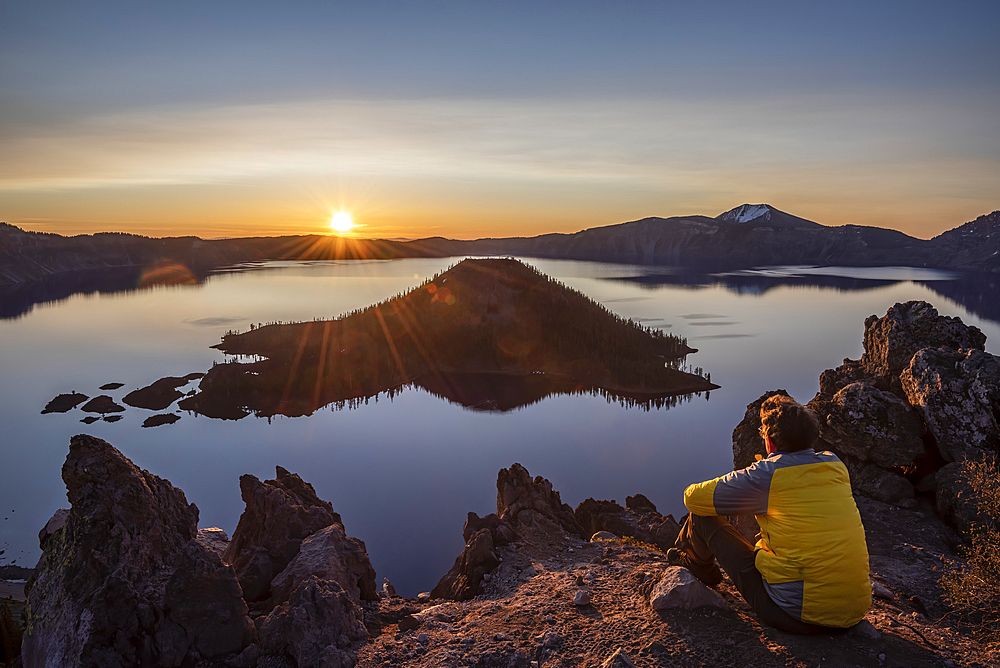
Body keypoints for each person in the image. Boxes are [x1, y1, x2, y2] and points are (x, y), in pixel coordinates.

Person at [667, 394, 871, 633]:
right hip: (854, 611)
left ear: (770, 441)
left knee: (700, 516)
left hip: (795, 615)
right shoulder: (835, 465)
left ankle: (698, 566)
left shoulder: (768, 474)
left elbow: (692, 498)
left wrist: (754, 475)